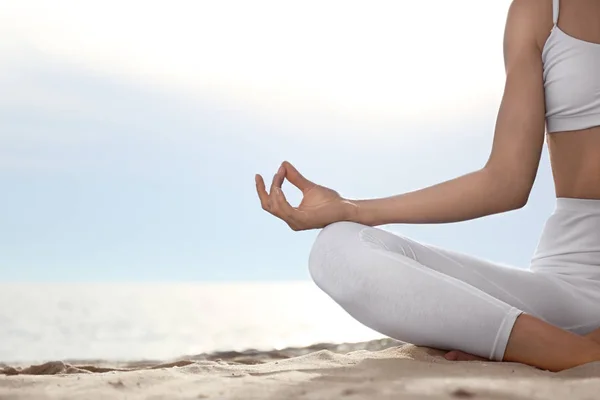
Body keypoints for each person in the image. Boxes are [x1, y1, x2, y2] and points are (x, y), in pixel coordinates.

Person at [255, 0, 600, 372]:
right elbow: (506, 182)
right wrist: (351, 210)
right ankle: (557, 348)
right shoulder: (539, 12)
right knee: (336, 249)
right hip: (568, 289)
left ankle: (553, 348)